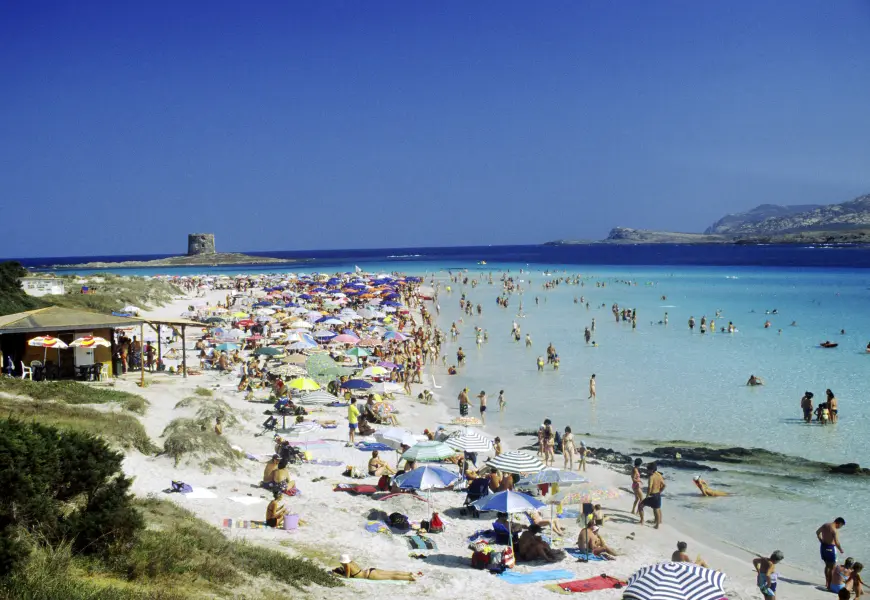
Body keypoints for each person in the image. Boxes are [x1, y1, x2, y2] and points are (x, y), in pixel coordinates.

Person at [334, 555, 417, 581]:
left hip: (368, 575)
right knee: (391, 572)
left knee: (391, 577)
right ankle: (409, 573)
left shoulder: (346, 565)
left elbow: (347, 577)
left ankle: (410, 578)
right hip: (370, 570)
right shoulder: (351, 562)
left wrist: (339, 574)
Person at [817, 518, 846, 590]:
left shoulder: (825, 525)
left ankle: (827, 582)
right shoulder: (834, 530)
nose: (840, 527)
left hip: (823, 547)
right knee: (832, 567)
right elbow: (836, 542)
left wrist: (821, 541)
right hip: (831, 548)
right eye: (841, 526)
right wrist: (841, 550)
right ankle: (830, 585)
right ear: (839, 523)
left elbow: (817, 532)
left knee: (827, 566)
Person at [638, 462, 666, 529]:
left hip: (652, 495)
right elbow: (664, 485)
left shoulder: (651, 477)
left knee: (640, 506)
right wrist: (660, 491)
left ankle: (642, 521)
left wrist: (647, 495)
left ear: (651, 470)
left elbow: (649, 487)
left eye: (648, 470)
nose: (647, 471)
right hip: (658, 494)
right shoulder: (659, 475)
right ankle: (658, 522)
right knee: (657, 508)